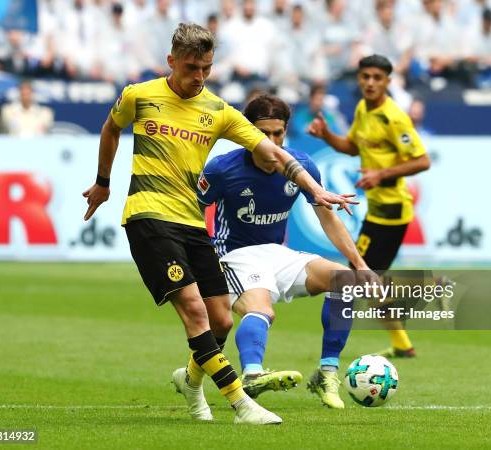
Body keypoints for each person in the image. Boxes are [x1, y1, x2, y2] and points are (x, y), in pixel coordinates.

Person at [81, 23, 356, 425]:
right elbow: (111, 129)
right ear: (171, 61)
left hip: (191, 224)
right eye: (191, 67)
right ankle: (242, 403)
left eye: (206, 68)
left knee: (222, 320)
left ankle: (191, 382)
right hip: (148, 215)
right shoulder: (139, 96)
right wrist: (104, 183)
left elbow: (274, 153)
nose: (199, 77)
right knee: (195, 311)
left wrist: (317, 189)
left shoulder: (217, 111)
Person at [197, 94, 376, 409]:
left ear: (285, 132)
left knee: (345, 280)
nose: (271, 141)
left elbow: (328, 218)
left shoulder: (302, 167)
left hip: (277, 254)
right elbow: (193, 213)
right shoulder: (222, 169)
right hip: (234, 255)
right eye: (262, 133)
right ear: (246, 132)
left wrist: (360, 264)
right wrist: (200, 260)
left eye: (277, 133)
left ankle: (326, 372)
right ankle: (252, 376)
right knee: (262, 310)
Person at [308, 54, 431, 359]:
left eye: (378, 77)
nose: (371, 82)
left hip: (391, 213)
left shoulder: (394, 117)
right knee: (364, 278)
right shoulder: (364, 109)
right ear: (359, 79)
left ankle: (334, 356)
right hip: (377, 211)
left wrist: (381, 174)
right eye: (366, 77)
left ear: (388, 82)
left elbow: (422, 160)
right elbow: (352, 147)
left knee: (355, 277)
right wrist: (327, 135)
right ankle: (402, 344)